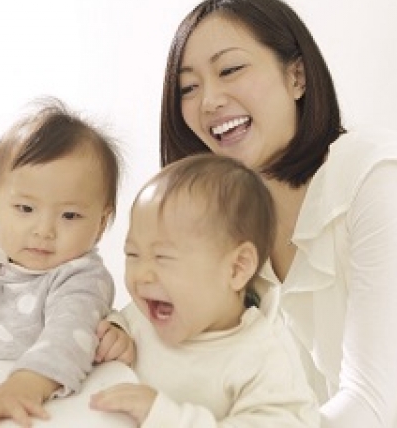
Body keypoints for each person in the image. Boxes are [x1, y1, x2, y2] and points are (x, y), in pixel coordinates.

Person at [97, 0, 397, 428]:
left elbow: (370, 404)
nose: (208, 100)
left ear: (297, 77)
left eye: (230, 69)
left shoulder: (378, 174)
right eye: (188, 88)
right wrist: (115, 334)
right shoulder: (231, 232)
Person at [91, 153, 320, 427]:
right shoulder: (145, 316)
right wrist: (115, 332)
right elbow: (123, 321)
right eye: (132, 255)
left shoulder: (262, 357)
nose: (141, 275)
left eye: (162, 257)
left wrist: (167, 417)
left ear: (236, 269)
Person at [0, 97, 121, 428]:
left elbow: (66, 340)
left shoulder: (81, 277)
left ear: (101, 223)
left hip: (47, 401)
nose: (44, 231)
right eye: (25, 209)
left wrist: (22, 387)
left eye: (70, 215)